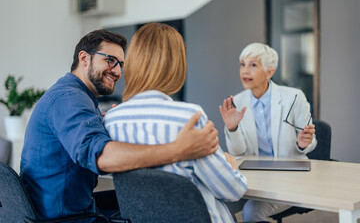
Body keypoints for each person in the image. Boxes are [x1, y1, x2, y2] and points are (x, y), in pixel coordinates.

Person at [20, 29, 219, 221]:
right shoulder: (70, 98)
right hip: (68, 218)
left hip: (58, 211)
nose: (117, 71)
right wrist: (178, 149)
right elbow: (102, 159)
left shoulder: (71, 94)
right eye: (110, 60)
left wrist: (103, 123)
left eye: (121, 65)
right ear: (84, 58)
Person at [104, 22, 248, 223]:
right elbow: (233, 190)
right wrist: (231, 168)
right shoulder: (190, 116)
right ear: (176, 64)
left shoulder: (112, 119)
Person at [219, 42, 317, 222]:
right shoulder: (238, 101)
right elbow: (237, 152)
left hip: (288, 178)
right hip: (252, 179)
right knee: (217, 205)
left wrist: (303, 143)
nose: (245, 71)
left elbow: (311, 142)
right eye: (242, 64)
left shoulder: (294, 97)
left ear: (270, 72)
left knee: (251, 212)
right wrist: (232, 128)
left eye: (253, 65)